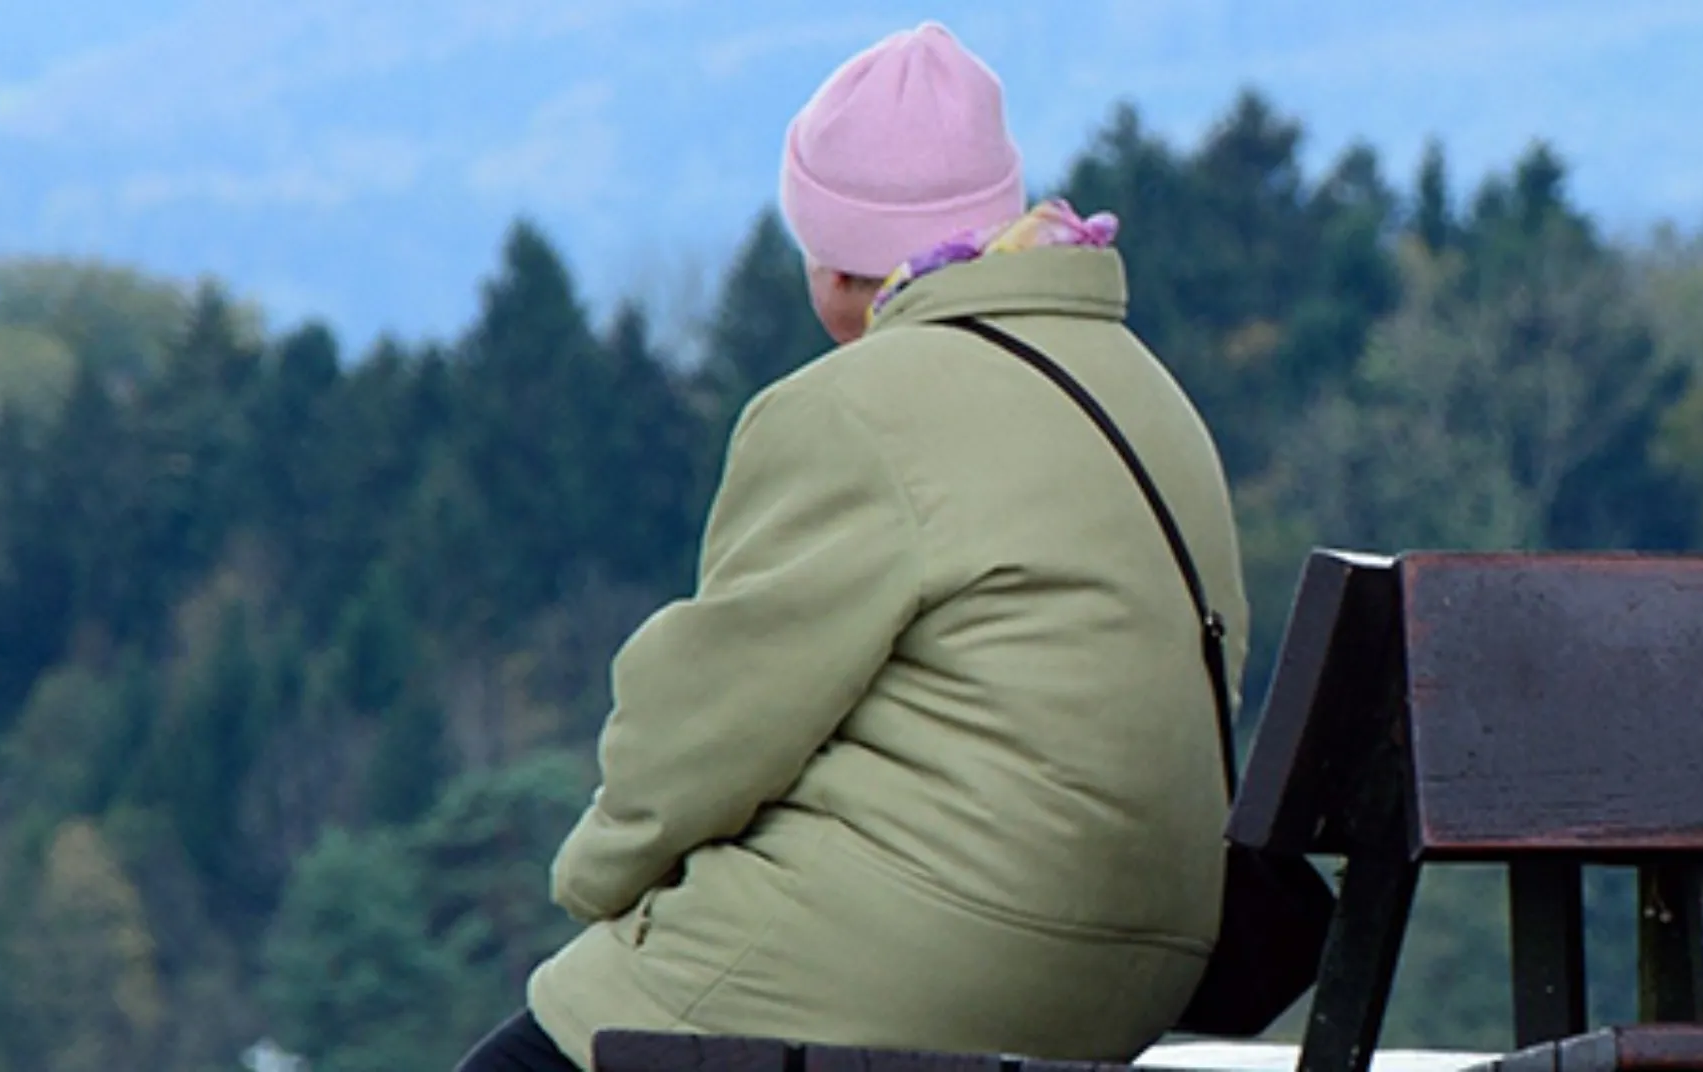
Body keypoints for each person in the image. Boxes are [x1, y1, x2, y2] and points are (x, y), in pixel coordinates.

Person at [454, 20, 1247, 1072]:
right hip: (1143, 962)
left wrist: (600, 880)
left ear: (832, 266)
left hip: (933, 953)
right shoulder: (1149, 391)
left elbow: (710, 726)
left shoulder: (852, 409)